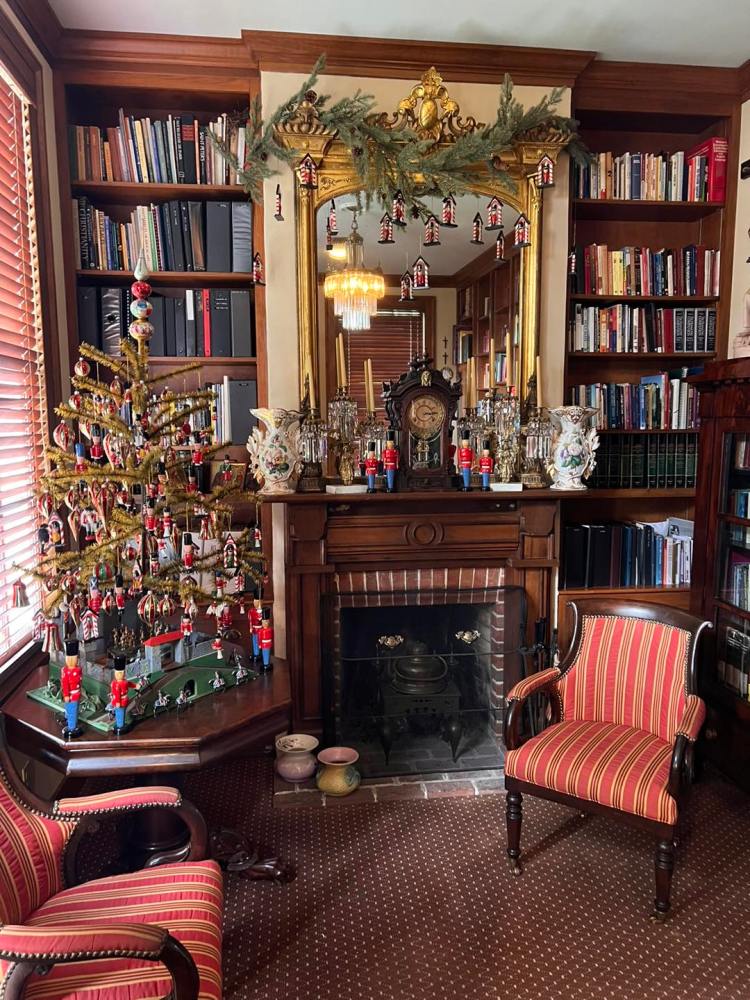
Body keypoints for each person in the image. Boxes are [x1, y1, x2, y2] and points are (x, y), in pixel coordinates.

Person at [109, 653, 137, 734]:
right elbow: (117, 693)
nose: (122, 674)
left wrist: (136, 686)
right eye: (120, 673)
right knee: (120, 713)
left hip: (124, 700)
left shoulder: (124, 681)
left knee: (122, 713)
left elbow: (129, 684)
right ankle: (120, 725)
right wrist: (117, 702)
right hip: (119, 701)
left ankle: (121, 724)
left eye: (122, 673)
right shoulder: (116, 683)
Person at [61, 638, 83, 738]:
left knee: (74, 710)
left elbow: (80, 681)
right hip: (70, 695)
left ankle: (72, 725)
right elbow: (65, 684)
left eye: (74, 658)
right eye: (70, 658)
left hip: (76, 694)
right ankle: (71, 727)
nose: (72, 660)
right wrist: (66, 694)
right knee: (71, 711)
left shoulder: (78, 669)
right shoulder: (65, 671)